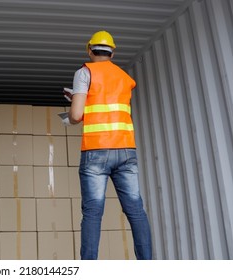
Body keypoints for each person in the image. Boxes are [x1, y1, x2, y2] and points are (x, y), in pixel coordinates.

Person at [64, 30, 152, 260]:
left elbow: (75, 116)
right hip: (125, 150)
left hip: (96, 151)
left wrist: (75, 99)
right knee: (136, 211)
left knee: (93, 213)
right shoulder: (124, 78)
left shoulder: (84, 73)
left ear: (89, 49)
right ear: (113, 52)